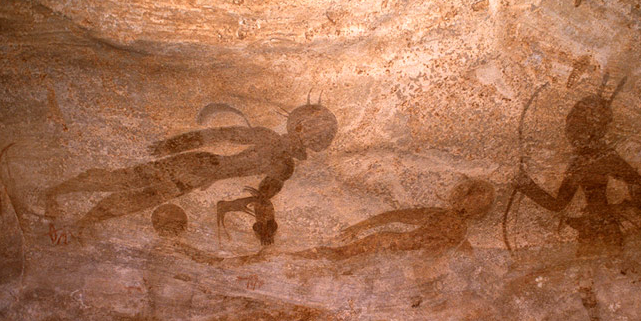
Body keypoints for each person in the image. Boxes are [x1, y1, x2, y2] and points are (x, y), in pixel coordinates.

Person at [46, 101, 337, 245]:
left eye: (312, 134)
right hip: (197, 168)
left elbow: (261, 195)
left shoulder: (284, 165)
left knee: (137, 196)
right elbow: (221, 134)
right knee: (126, 183)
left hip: (197, 174)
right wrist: (174, 143)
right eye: (307, 130)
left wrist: (260, 221)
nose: (304, 136)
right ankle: (57, 193)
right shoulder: (273, 148)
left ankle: (81, 221)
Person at [513, 94, 641, 256]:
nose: (569, 133)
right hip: (602, 227)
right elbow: (634, 179)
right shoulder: (603, 155)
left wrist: (526, 186)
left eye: (574, 128)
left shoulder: (586, 160)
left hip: (595, 230)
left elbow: (558, 204)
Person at [295, 178, 495, 260]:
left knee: (338, 259)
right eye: (475, 199)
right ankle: (292, 257)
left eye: (483, 203)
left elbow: (453, 245)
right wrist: (359, 227)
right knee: (337, 255)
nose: (478, 205)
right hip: (385, 243)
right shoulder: (440, 214)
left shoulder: (461, 229)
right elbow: (394, 215)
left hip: (399, 254)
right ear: (463, 196)